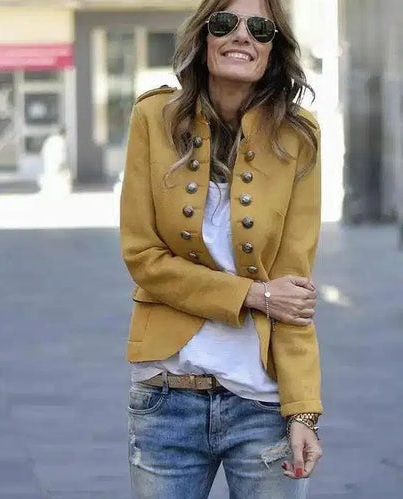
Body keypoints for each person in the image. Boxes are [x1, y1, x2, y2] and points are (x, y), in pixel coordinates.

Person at [120, 0, 323, 497]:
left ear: (274, 48)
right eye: (225, 22)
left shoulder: (298, 136)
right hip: (167, 399)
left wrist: (303, 411)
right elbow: (143, 258)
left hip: (262, 406)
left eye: (260, 27)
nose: (242, 36)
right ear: (203, 36)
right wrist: (252, 295)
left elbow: (293, 292)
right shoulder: (153, 117)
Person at [38, 127, 72, 197]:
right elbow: (61, 154)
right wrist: (63, 164)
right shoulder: (60, 141)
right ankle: (57, 192)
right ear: (64, 134)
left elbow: (42, 152)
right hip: (56, 163)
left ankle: (49, 191)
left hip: (48, 161)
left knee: (49, 176)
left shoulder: (50, 139)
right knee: (58, 177)